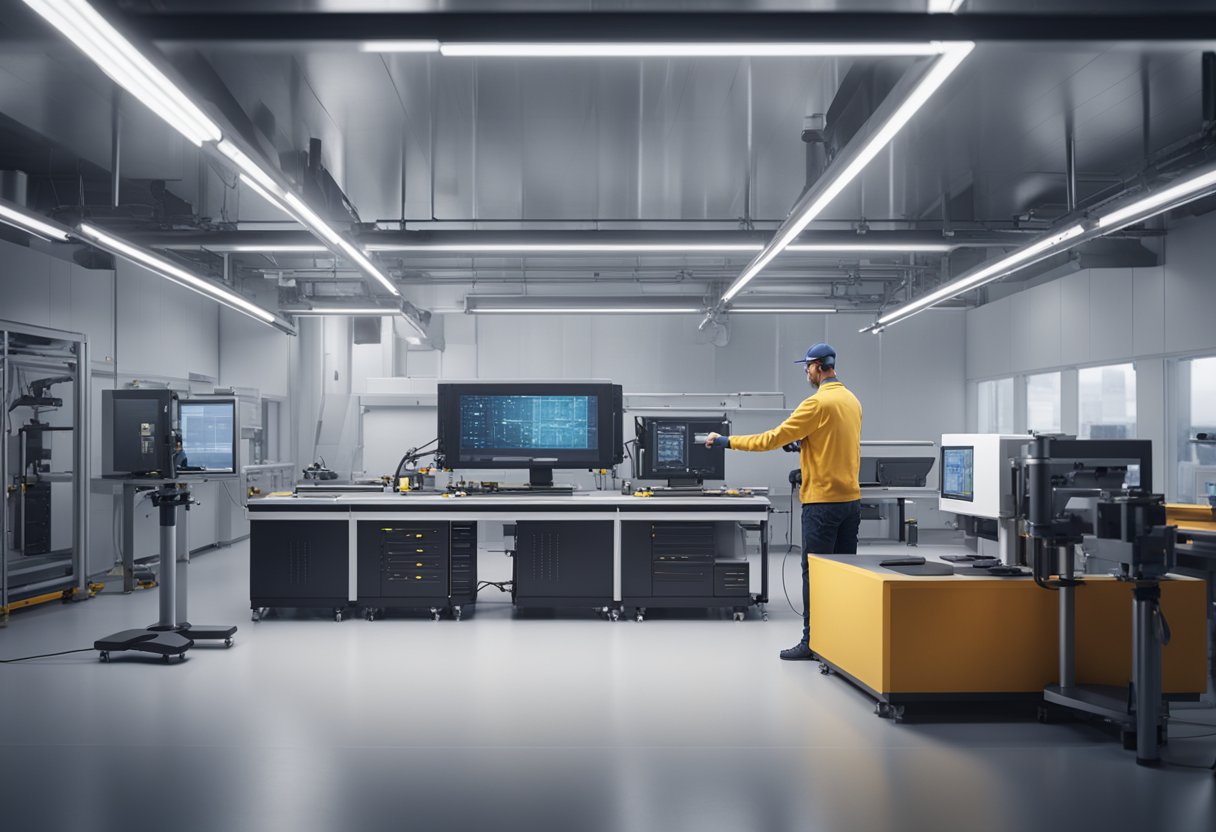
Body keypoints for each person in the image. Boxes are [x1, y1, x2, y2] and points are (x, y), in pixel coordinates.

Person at [705, 342, 862, 660]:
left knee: (814, 576)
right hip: (850, 502)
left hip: (822, 504)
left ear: (818, 367)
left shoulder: (816, 403)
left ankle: (812, 642)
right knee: (845, 575)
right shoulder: (851, 400)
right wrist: (804, 444)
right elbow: (831, 440)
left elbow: (770, 439)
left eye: (807, 367)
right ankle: (843, 643)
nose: (806, 373)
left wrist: (725, 441)